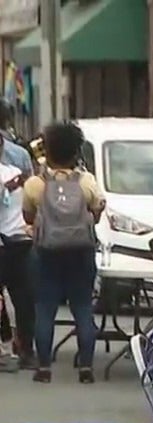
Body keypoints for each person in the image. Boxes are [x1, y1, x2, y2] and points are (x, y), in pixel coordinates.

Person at [22, 121, 105, 384]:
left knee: (44, 309)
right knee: (82, 308)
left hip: (46, 252)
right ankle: (86, 368)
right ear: (76, 151)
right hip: (81, 252)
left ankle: (44, 367)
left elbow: (28, 215)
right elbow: (97, 212)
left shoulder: (35, 184)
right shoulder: (87, 181)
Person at [0, 120, 37, 372]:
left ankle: (8, 348)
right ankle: (26, 350)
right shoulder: (19, 172)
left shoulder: (14, 173)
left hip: (6, 242)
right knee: (24, 300)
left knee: (15, 300)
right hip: (22, 242)